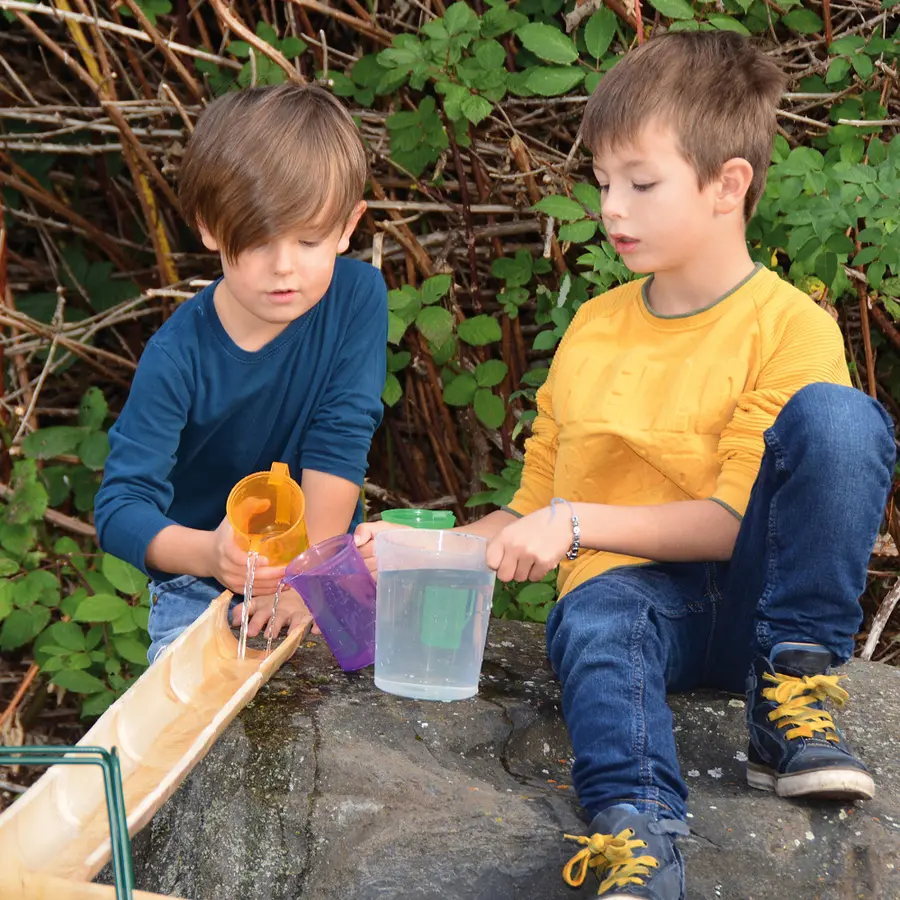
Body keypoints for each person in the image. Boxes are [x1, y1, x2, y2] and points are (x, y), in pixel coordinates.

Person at [355, 32, 895, 899]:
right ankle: (637, 840)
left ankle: (790, 701)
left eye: (642, 184)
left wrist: (575, 523)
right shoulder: (594, 327)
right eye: (604, 182)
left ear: (728, 186)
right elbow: (530, 506)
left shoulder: (791, 325)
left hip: (763, 593)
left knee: (841, 419)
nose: (612, 208)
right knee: (598, 613)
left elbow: (724, 522)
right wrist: (427, 550)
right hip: (638, 604)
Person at [95, 84, 387, 665]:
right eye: (256, 241)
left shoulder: (358, 297)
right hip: (204, 582)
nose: (285, 267)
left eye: (309, 239)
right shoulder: (176, 357)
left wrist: (314, 575)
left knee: (372, 696)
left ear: (348, 226)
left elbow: (341, 437)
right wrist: (209, 554)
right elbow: (120, 508)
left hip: (324, 550)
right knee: (197, 727)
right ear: (208, 227)